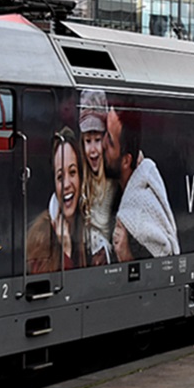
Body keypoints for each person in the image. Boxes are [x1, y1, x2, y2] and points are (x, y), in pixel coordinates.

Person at [103, 104, 179, 261]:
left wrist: (125, 254)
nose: (102, 144)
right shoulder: (114, 187)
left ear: (126, 161)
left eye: (109, 141)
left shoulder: (138, 219)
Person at [26, 127, 86, 274]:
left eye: (72, 172)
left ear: (81, 177)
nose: (66, 184)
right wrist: (66, 251)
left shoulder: (90, 228)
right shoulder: (40, 237)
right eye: (60, 177)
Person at [78, 89, 115, 266]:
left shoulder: (113, 184)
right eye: (88, 141)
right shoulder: (80, 181)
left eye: (97, 140)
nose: (92, 150)